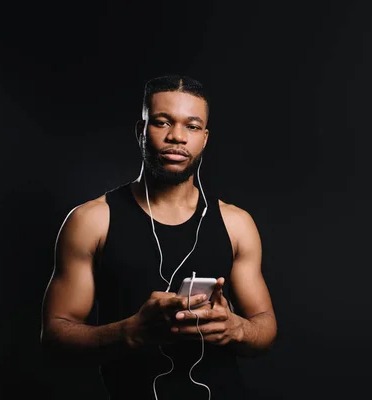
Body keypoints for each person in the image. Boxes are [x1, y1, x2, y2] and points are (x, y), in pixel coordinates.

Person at [40, 75, 277, 399]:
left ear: (204, 138)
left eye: (192, 126)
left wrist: (235, 328)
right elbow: (55, 335)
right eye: (163, 122)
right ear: (141, 131)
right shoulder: (92, 220)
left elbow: (265, 326)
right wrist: (131, 331)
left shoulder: (236, 223)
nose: (177, 137)